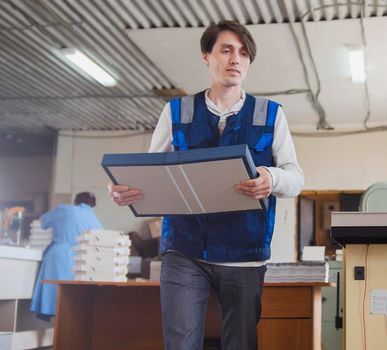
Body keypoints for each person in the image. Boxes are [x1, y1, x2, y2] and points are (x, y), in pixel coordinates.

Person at [108, 20, 304, 350]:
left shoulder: (270, 114)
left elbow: (295, 178)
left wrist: (273, 178)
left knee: (240, 344)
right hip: (184, 251)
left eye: (244, 53)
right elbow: (150, 171)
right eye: (226, 50)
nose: (236, 59)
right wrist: (125, 190)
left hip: (245, 255)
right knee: (181, 343)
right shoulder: (177, 111)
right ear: (206, 56)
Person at [30, 192, 103, 318]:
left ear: (76, 201)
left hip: (59, 254)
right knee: (70, 300)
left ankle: (50, 318)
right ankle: (62, 328)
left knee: (52, 295)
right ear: (93, 204)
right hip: (81, 260)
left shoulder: (65, 209)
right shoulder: (96, 222)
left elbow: (43, 222)